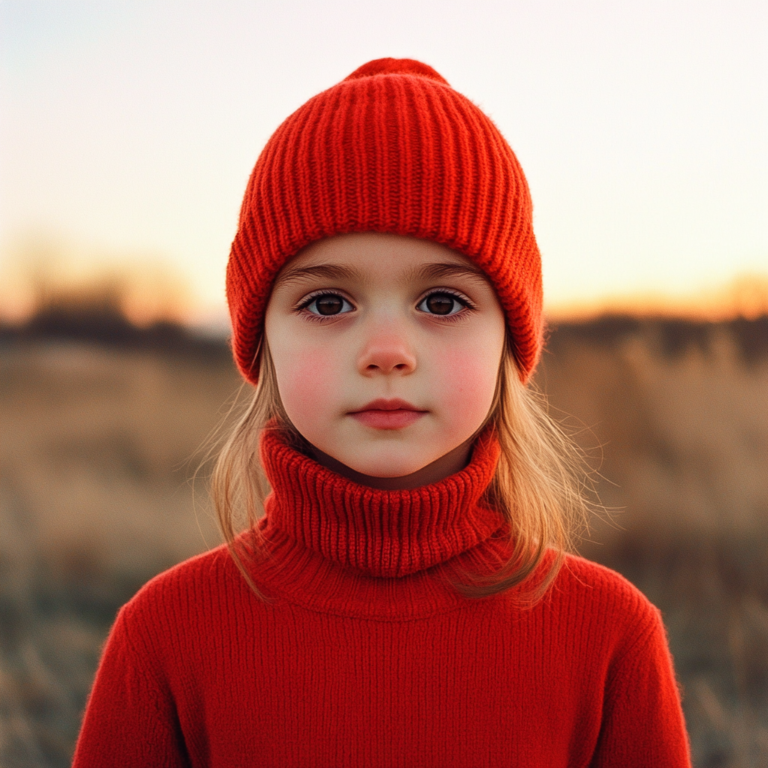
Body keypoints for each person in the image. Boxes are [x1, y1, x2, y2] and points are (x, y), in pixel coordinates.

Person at [73, 58, 691, 767]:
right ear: (262, 340)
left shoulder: (608, 636)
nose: (388, 352)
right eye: (328, 303)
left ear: (510, 343)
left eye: (443, 302)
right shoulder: (166, 636)